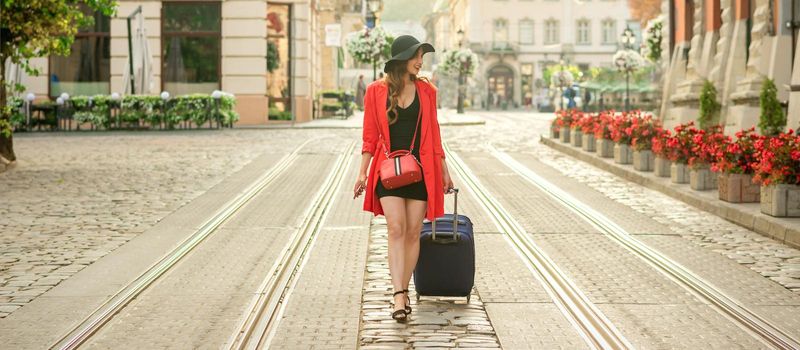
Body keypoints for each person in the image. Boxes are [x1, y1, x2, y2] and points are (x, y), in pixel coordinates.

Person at [353, 35, 454, 322]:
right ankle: (399, 294)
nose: (421, 61)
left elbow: (434, 134)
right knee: (396, 229)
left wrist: (445, 170)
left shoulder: (427, 91)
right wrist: (362, 171)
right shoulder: (375, 91)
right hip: (387, 171)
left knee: (412, 232)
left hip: (421, 171)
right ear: (402, 59)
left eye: (422, 56)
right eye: (416, 56)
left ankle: (405, 288)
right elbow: (370, 136)